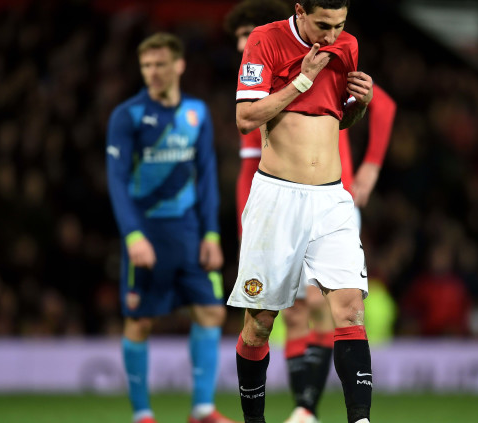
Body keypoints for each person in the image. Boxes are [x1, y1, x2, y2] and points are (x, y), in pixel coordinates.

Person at [225, 2, 395, 421]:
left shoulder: (347, 45)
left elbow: (338, 119)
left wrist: (360, 105)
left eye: (340, 25)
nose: (332, 35)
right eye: (323, 24)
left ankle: (360, 419)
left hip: (332, 199)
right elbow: (245, 118)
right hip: (277, 198)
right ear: (300, 11)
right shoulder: (265, 40)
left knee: (349, 309)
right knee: (260, 324)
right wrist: (302, 79)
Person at [106, 33, 237, 423]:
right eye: (146, 65)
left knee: (211, 312)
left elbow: (207, 176)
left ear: (179, 65)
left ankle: (202, 409)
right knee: (139, 320)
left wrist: (211, 233)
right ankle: (142, 414)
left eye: (160, 64)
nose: (153, 72)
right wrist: (132, 235)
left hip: (190, 234)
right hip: (146, 233)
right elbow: (116, 180)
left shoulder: (196, 113)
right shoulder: (127, 116)